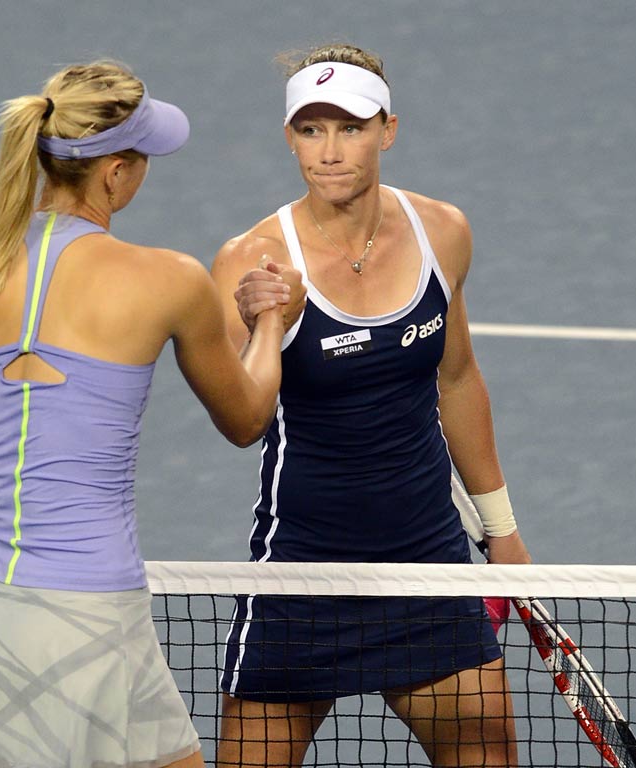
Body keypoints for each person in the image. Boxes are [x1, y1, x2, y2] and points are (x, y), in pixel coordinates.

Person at [0, 61, 295, 768]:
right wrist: (271, 322)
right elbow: (246, 420)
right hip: (95, 609)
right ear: (114, 174)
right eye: (140, 157)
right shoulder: (169, 280)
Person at [211, 44, 532, 768]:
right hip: (302, 572)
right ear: (290, 137)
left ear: (388, 130)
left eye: (350, 128)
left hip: (427, 563)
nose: (329, 152)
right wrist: (266, 326)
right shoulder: (251, 260)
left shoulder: (441, 231)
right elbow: (241, 422)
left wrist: (502, 532)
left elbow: (457, 380)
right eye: (310, 130)